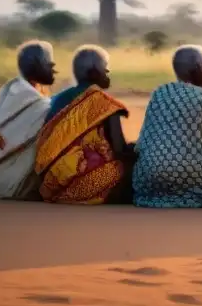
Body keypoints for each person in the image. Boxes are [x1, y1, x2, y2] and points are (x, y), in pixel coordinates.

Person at [132, 45, 202, 208]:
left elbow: (143, 141)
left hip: (149, 179)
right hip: (189, 176)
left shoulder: (159, 93)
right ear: (196, 69)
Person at [34, 45, 135, 204]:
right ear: (94, 72)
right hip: (82, 182)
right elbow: (119, 149)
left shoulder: (58, 99)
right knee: (133, 167)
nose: (107, 74)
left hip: (51, 185)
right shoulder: (104, 104)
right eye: (105, 69)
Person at [0, 40, 57, 200]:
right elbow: (52, 113)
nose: (53, 69)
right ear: (36, 66)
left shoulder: (12, 88)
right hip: (13, 183)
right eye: (49, 64)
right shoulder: (26, 96)